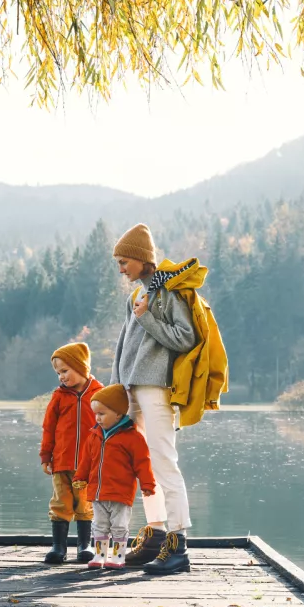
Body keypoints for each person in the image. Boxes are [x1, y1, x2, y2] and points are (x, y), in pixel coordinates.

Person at [110, 223, 197, 575]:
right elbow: (123, 346)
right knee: (141, 466)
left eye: (124, 261)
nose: (120, 268)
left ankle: (179, 545)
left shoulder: (167, 295)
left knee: (164, 463)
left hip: (157, 389)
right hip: (130, 388)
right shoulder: (137, 296)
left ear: (142, 259)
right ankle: (156, 536)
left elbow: (185, 338)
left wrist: (148, 321)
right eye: (117, 262)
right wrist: (115, 387)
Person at [74, 384, 155, 569]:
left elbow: (142, 462)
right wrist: (80, 476)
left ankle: (118, 556)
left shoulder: (132, 437)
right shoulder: (94, 435)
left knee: (119, 527)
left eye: (102, 413)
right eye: (96, 414)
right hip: (98, 491)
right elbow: (86, 460)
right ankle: (99, 556)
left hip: (120, 493)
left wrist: (147, 483)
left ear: (118, 414)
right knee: (99, 525)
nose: (97, 418)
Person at [40, 342, 103, 564]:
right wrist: (46, 456)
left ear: (81, 367)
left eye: (65, 371)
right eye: (58, 373)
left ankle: (84, 545)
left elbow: (108, 430)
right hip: (61, 463)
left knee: (85, 504)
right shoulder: (58, 397)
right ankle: (58, 547)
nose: (61, 377)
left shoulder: (99, 395)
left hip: (89, 465)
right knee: (61, 502)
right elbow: (49, 428)